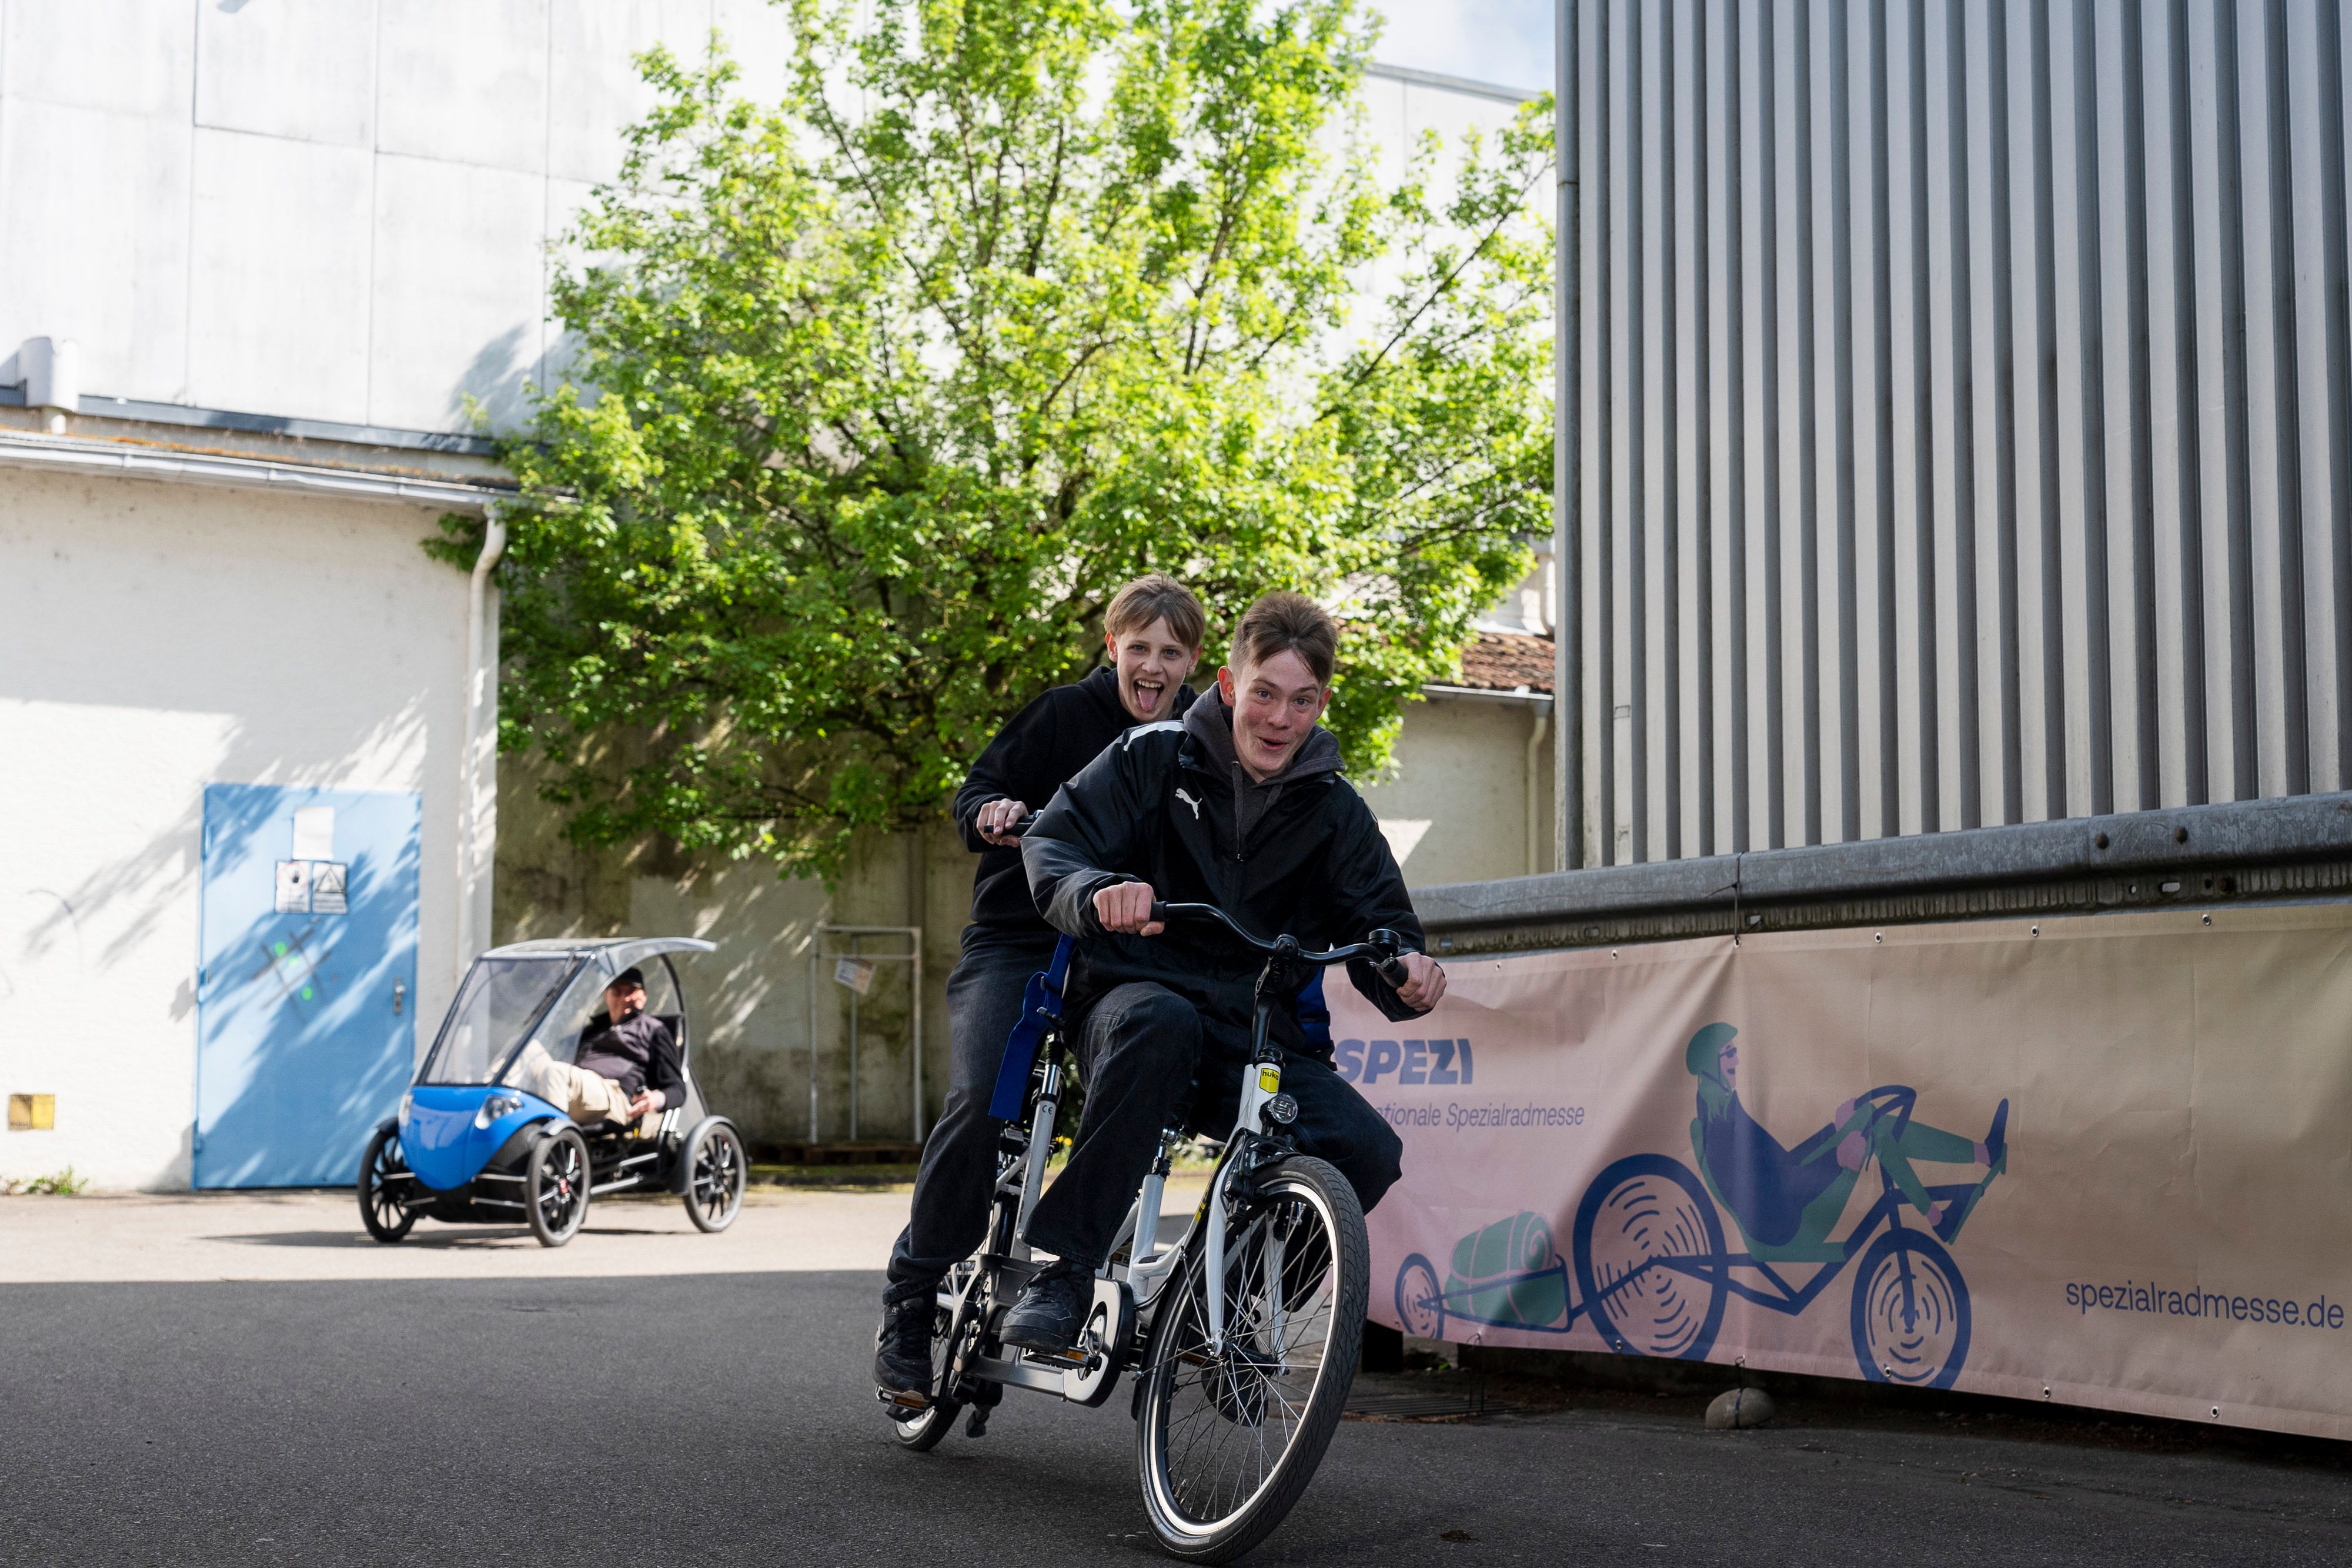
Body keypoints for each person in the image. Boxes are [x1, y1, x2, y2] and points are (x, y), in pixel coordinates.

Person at [1001, 591, 1448, 1352]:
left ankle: (1216, 1306)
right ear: (1230, 683)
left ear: (1322, 703)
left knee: (1368, 1150)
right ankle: (1068, 1271)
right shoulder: (1153, 755)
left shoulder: (1336, 810)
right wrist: (1098, 891)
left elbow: (1383, 926)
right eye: (1265, 694)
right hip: (1132, 1008)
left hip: (1252, 1032)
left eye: (1301, 701)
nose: (1280, 719)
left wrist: (1405, 971)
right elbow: (1055, 842)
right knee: (1161, 1021)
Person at [873, 574, 1209, 1395]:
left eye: (1171, 652)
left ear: (1193, 660)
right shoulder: (1062, 714)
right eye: (1139, 648)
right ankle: (913, 1291)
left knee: (1157, 1069)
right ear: (1112, 646)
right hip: (1021, 941)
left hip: (1124, 955)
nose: (1154, 667)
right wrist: (991, 810)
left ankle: (1097, 1277)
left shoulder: (1202, 739)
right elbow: (976, 792)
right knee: (981, 1097)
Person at [1684, 1022, 2007, 1261]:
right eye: (1729, 1054)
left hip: (1789, 1204)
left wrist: (1833, 1130)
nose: (1737, 1061)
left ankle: (1971, 1172)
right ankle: (1943, 1213)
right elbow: (1771, 1195)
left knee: (1867, 1117)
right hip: (1789, 1227)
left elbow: (1783, 1164)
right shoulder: (1721, 1130)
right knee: (1877, 1132)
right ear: (1711, 1066)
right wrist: (1836, 1159)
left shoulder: (1725, 1110)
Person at [525, 967, 683, 1128]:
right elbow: (557, 1050)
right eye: (617, 992)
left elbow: (678, 1090)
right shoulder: (595, 1029)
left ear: (644, 995)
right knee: (529, 1049)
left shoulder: (654, 1030)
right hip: (575, 1087)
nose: (624, 998)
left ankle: (545, 1136)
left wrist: (657, 1100)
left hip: (615, 1096)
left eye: (631, 991)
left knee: (556, 1073)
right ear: (607, 995)